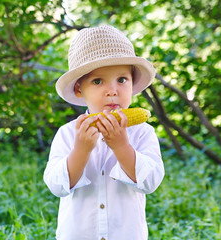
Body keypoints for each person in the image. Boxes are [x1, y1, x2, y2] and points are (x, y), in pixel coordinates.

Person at [44, 25, 165, 240]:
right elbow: (56, 186)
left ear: (132, 82)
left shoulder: (143, 133)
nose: (112, 91)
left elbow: (150, 181)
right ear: (80, 89)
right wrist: (80, 151)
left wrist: (121, 147)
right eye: (98, 81)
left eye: (122, 80)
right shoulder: (67, 134)